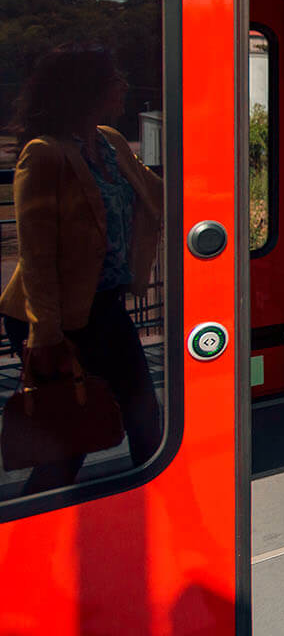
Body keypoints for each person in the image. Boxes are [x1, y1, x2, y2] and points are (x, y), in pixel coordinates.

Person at [1, 46, 164, 494]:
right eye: (114, 78)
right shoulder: (43, 155)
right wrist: (47, 336)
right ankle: (34, 531)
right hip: (51, 319)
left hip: (104, 308)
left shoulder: (110, 141)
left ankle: (153, 509)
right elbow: (35, 257)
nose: (123, 86)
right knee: (69, 437)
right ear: (86, 89)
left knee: (144, 417)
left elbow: (156, 193)